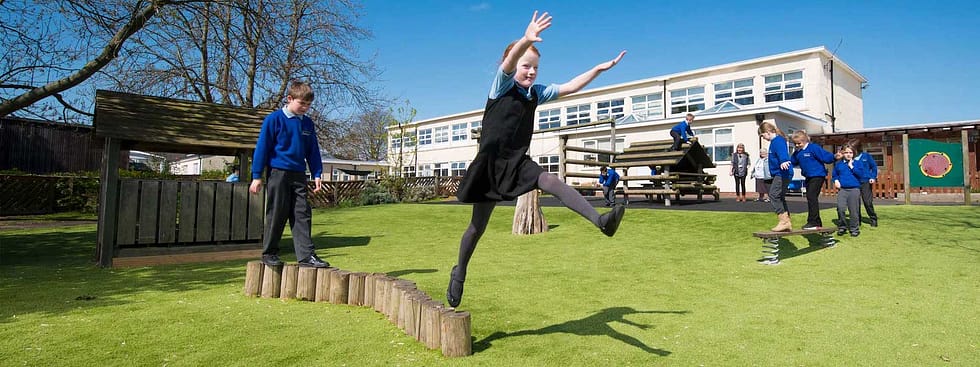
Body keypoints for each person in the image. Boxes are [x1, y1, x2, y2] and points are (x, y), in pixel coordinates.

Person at [448, 11, 627, 308]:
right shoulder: (501, 86)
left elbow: (570, 87)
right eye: (526, 66)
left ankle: (601, 221)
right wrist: (526, 38)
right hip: (491, 165)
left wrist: (598, 69)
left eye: (535, 68)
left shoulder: (535, 94)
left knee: (550, 179)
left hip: (518, 162)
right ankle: (460, 271)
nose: (531, 72)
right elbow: (508, 64)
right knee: (477, 228)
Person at [250, 81, 328, 268]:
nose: (305, 108)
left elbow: (313, 151)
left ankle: (306, 256)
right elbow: (262, 148)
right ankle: (269, 253)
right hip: (278, 173)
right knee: (277, 213)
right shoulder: (274, 119)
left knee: (302, 213)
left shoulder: (307, 123)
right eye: (302, 104)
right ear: (290, 99)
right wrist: (257, 176)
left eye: (308, 105)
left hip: (299, 174)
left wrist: (317, 173)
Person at [790, 131, 836, 229]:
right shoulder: (798, 152)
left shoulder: (813, 148)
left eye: (799, 143)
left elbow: (826, 157)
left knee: (811, 196)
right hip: (808, 176)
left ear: (805, 141)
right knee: (810, 197)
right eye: (795, 144)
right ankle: (817, 222)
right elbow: (792, 161)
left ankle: (813, 221)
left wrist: (835, 157)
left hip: (818, 175)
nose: (797, 145)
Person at [758, 121, 793, 231]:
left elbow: (782, 152)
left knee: (773, 195)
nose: (763, 138)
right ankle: (787, 222)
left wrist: (783, 160)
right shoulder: (774, 142)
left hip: (782, 173)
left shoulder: (777, 141)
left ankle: (784, 221)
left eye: (763, 136)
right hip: (781, 173)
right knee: (780, 196)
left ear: (768, 132)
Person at [832, 145, 868, 237]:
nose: (848, 154)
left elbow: (861, 175)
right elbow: (835, 175)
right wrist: (836, 181)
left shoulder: (858, 163)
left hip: (854, 189)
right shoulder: (839, 164)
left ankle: (854, 229)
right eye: (846, 152)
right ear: (843, 153)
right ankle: (842, 227)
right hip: (843, 190)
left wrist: (852, 167)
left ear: (853, 154)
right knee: (841, 208)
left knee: (853, 210)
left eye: (850, 153)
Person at [848, 138, 879, 227]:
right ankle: (858, 220)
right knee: (855, 203)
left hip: (865, 182)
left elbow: (873, 167)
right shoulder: (850, 157)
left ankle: (873, 218)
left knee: (867, 202)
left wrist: (873, 177)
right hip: (854, 182)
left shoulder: (866, 156)